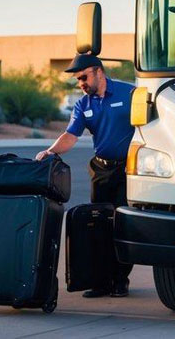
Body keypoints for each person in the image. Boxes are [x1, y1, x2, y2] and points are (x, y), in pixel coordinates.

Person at [36, 53, 135, 298]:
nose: (80, 83)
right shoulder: (83, 104)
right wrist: (50, 151)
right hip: (101, 170)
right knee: (99, 225)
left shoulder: (130, 94)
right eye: (77, 80)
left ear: (98, 71)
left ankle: (120, 280)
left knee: (121, 224)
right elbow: (71, 135)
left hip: (129, 169)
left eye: (83, 77)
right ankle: (101, 281)